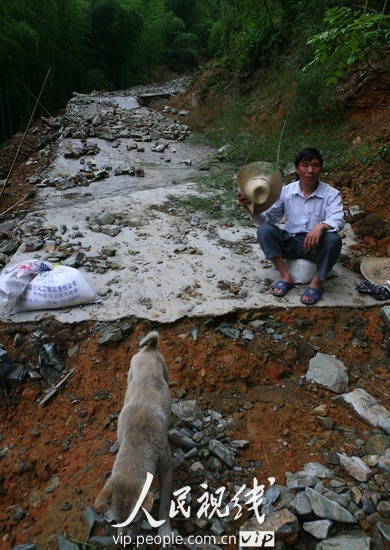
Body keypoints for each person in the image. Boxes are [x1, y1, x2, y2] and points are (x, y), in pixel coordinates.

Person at [237, 147, 345, 305]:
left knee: (333, 240)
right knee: (264, 230)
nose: (310, 170)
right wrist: (250, 208)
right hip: (291, 243)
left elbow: (338, 218)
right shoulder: (286, 192)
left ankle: (317, 283)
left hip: (316, 245)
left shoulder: (331, 194)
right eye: (305, 165)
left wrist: (321, 226)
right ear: (296, 168)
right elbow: (268, 219)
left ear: (320, 168)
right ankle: (286, 276)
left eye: (315, 165)